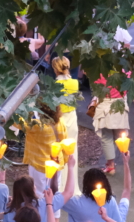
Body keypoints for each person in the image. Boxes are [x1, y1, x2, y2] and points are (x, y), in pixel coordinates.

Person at [21, 103, 67, 196]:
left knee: (39, 194)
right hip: (56, 164)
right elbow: (64, 142)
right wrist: (65, 160)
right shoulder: (60, 122)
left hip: (40, 166)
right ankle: (54, 210)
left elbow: (19, 123)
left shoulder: (37, 126)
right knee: (55, 193)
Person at [90, 73, 130, 176]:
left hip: (105, 106)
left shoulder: (100, 71)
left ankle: (110, 165)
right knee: (120, 137)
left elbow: (96, 89)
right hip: (120, 105)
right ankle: (125, 161)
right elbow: (128, 87)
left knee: (106, 137)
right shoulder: (123, 69)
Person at [52, 56, 80, 196]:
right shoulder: (75, 83)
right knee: (72, 151)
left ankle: (59, 185)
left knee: (58, 152)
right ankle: (71, 184)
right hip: (72, 118)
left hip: (59, 119)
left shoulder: (54, 85)